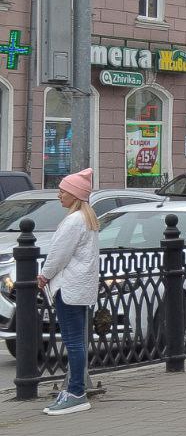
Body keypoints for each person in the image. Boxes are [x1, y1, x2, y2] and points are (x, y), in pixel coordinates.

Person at [37, 167, 100, 416]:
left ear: (74, 195)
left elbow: (58, 255)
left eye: (62, 191)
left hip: (69, 287)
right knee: (77, 341)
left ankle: (76, 393)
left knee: (73, 342)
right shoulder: (88, 219)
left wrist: (44, 275)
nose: (59, 195)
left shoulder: (74, 221)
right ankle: (75, 390)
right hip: (80, 287)